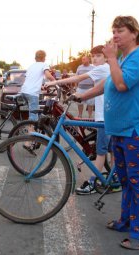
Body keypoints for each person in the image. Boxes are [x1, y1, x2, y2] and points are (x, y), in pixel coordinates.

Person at [73, 16, 139, 250]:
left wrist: (110, 58)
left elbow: (122, 84)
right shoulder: (122, 57)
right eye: (113, 31)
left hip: (136, 129)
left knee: (138, 181)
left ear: (134, 33)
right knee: (125, 180)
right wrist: (81, 96)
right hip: (120, 129)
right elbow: (108, 83)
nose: (115, 36)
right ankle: (127, 220)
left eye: (120, 31)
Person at [45, 45, 115, 195]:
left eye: (98, 56)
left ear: (105, 57)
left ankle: (92, 184)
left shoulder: (102, 68)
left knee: (101, 152)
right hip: (107, 114)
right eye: (93, 56)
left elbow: (79, 78)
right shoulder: (106, 68)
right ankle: (114, 178)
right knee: (112, 150)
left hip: (104, 116)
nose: (95, 58)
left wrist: (53, 82)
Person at [21, 50, 55, 123]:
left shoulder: (31, 66)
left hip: (24, 91)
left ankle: (25, 126)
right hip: (32, 93)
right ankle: (31, 133)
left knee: (34, 111)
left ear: (35, 58)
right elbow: (48, 75)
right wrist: (57, 83)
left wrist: (41, 87)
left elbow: (28, 79)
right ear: (44, 58)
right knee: (33, 118)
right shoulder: (44, 65)